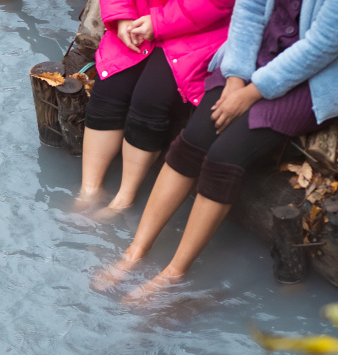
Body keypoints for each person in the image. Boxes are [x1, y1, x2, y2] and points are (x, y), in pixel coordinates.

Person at [92, 0, 338, 303]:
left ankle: (172, 273)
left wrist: (250, 93)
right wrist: (235, 76)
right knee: (193, 140)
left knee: (224, 157)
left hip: (318, 77)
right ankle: (135, 251)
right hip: (257, 55)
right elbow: (250, 9)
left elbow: (321, 47)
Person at [78, 0, 234, 211]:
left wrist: (159, 23)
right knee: (109, 88)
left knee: (150, 99)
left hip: (201, 31)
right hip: (140, 19)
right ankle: (89, 190)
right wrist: (122, 18)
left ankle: (124, 198)